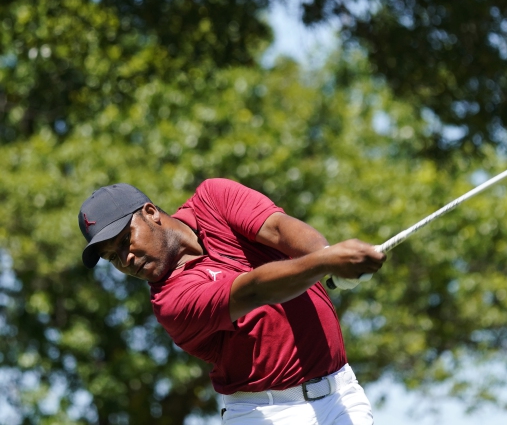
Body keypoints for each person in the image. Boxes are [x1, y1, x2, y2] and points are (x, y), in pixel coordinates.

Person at [77, 178, 386, 425]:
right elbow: (252, 291)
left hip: (342, 394)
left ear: (150, 212)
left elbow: (279, 229)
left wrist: (327, 254)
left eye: (124, 240)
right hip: (265, 415)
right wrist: (326, 262)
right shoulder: (170, 303)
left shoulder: (213, 198)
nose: (125, 259)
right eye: (111, 257)